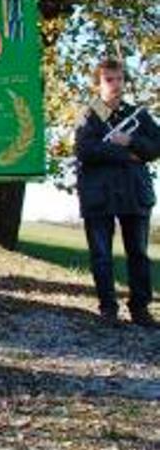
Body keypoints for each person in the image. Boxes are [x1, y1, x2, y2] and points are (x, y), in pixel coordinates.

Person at [74, 57, 159, 327]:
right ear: (98, 83)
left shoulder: (138, 115)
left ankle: (140, 309)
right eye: (109, 79)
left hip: (134, 193)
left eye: (119, 78)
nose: (116, 84)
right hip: (99, 194)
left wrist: (131, 139)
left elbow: (157, 147)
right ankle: (108, 309)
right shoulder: (89, 114)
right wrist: (128, 153)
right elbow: (85, 151)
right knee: (101, 255)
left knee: (139, 254)